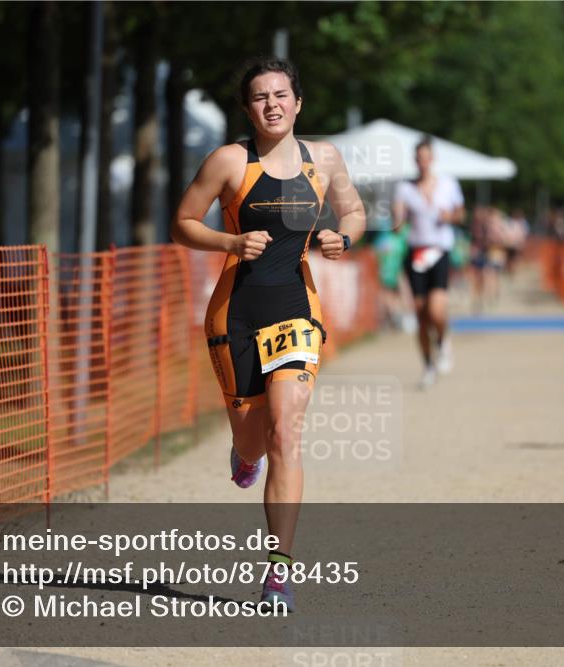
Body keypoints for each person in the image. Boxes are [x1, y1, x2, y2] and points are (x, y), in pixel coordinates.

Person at [171, 58, 366, 609]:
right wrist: (229, 243)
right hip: (235, 314)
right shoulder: (229, 161)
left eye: (282, 94)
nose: (272, 104)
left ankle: (279, 571)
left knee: (287, 431)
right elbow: (182, 222)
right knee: (255, 438)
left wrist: (342, 239)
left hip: (295, 310)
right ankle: (243, 452)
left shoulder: (323, 159)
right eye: (260, 97)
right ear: (247, 108)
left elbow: (352, 212)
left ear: (298, 103)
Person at [392, 136, 465, 388]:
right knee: (421, 314)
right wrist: (396, 221)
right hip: (416, 251)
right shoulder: (405, 188)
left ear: (432, 159)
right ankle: (428, 365)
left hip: (440, 249)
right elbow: (398, 218)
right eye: (419, 158)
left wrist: (451, 216)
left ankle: (444, 342)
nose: (423, 163)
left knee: (436, 309)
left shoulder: (448, 183)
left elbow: (460, 213)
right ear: (415, 160)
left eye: (426, 158)